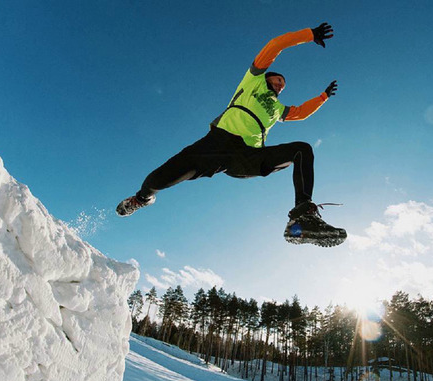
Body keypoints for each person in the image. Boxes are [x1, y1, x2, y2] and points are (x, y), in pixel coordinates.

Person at [116, 23, 347, 247]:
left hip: (247, 155)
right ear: (267, 77)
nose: (280, 87)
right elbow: (275, 45)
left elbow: (300, 113)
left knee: (302, 149)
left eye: (283, 87)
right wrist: (309, 34)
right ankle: (141, 198)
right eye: (278, 81)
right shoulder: (252, 81)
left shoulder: (277, 110)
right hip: (217, 144)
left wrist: (322, 97)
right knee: (159, 179)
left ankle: (302, 219)